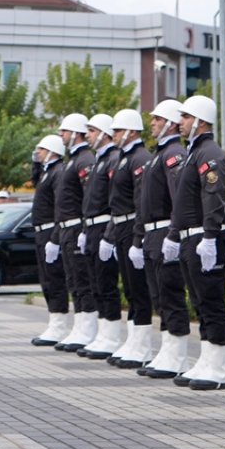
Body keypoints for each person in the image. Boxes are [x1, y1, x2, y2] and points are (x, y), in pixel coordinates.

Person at [167, 95, 225, 390]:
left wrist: (209, 236)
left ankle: (217, 367)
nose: (180, 123)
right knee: (200, 302)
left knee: (211, 301)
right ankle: (207, 359)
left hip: (205, 237)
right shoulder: (195, 152)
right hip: (191, 236)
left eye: (186, 117)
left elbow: (213, 197)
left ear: (201, 121)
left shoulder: (209, 152)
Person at [136, 100, 191, 378]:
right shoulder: (160, 153)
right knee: (159, 296)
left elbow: (177, 197)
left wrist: (173, 234)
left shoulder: (174, 154)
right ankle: (168, 350)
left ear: (170, 123)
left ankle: (178, 355)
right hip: (153, 233)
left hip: (165, 231)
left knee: (170, 295)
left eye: (158, 119)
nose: (152, 123)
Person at [102, 109, 154, 368]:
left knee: (139, 289)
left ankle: (142, 345)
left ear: (131, 131)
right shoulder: (124, 158)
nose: (114, 136)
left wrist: (138, 237)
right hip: (121, 227)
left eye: (118, 131)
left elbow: (140, 201)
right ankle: (134, 340)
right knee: (131, 290)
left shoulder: (140, 158)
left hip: (133, 225)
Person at [76, 114, 125, 359]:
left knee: (106, 285)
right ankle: (104, 334)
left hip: (105, 227)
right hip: (93, 228)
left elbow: (114, 202)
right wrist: (86, 231)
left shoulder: (113, 159)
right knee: (96, 284)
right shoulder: (100, 160)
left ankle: (112, 336)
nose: (88, 136)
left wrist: (110, 235)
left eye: (93, 131)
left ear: (104, 133)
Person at [48, 113, 98, 352]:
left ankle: (87, 328)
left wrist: (85, 228)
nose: (61, 136)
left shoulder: (85, 159)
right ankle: (79, 326)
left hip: (77, 226)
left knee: (82, 279)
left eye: (64, 132)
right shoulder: (73, 159)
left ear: (76, 133)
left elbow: (89, 197)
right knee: (73, 280)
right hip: (67, 229)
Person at [30, 135, 72, 346]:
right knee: (46, 279)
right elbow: (35, 181)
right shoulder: (47, 172)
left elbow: (59, 206)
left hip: (50, 230)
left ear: (53, 150)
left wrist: (55, 236)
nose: (38, 153)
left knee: (54, 278)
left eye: (42, 150)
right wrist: (35, 164)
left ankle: (60, 324)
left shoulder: (58, 172)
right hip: (41, 231)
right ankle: (54, 320)